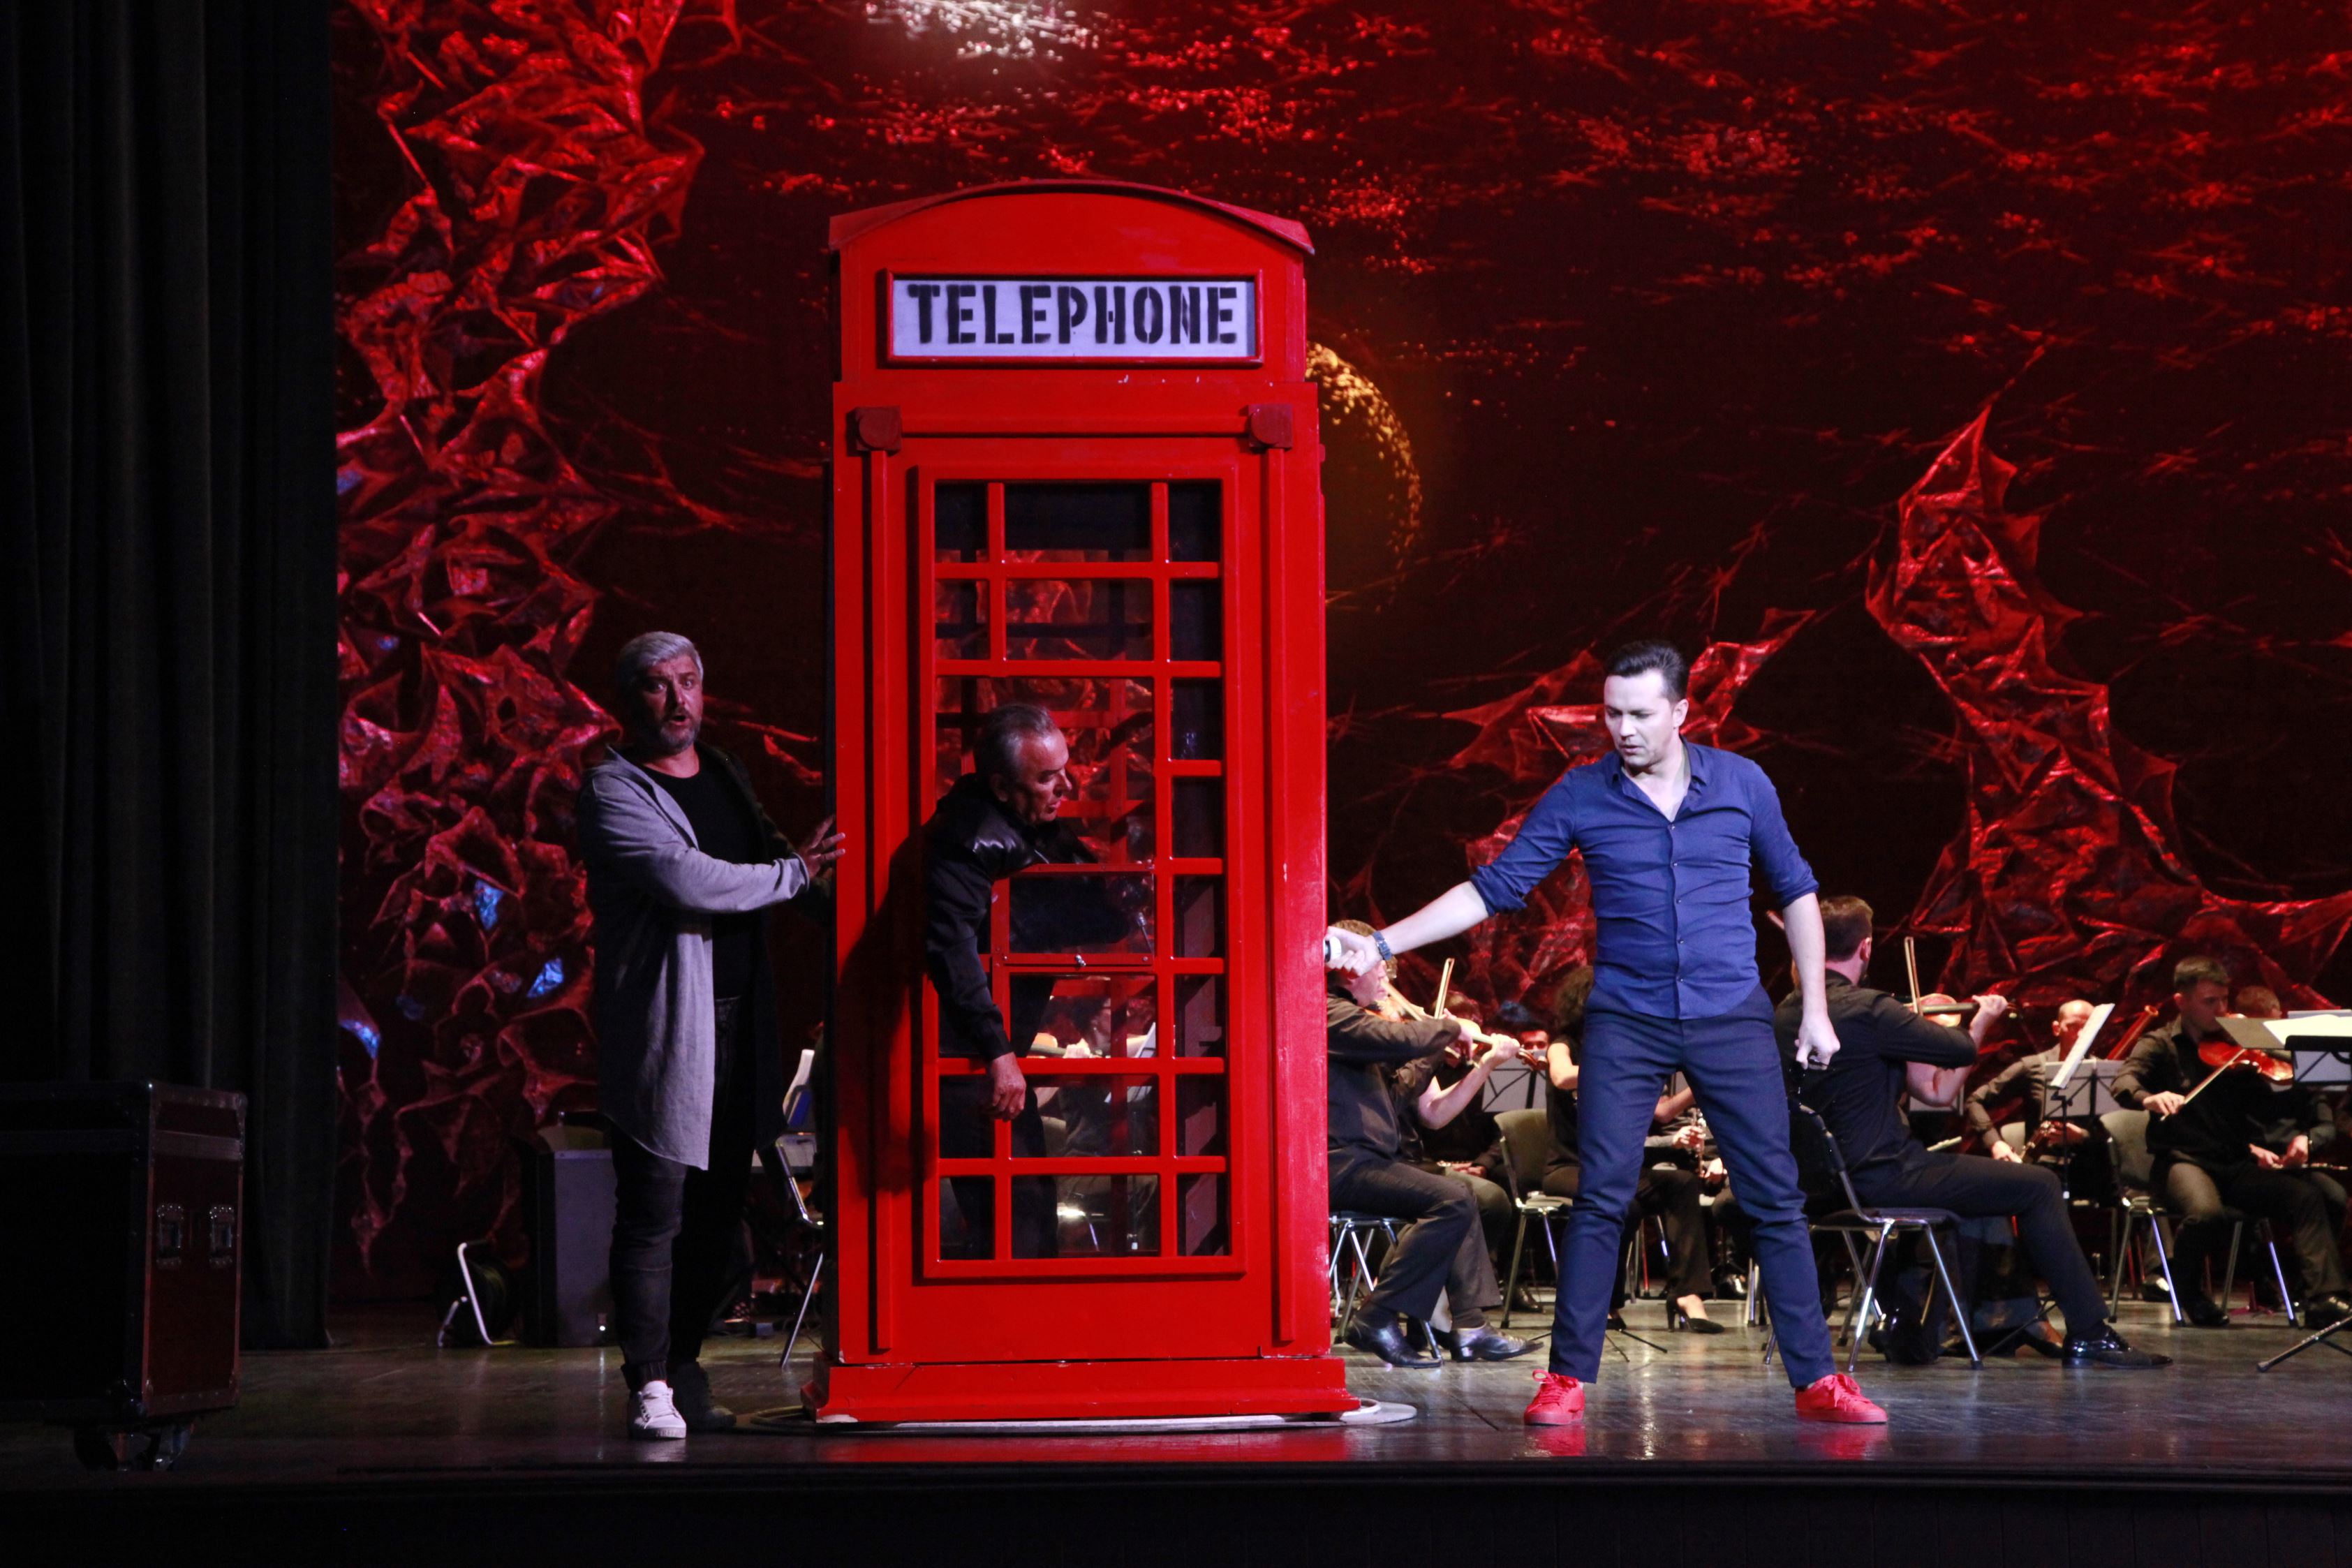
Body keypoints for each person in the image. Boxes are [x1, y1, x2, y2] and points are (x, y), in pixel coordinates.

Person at [1327, 639, 1886, 1424]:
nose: (1622, 729)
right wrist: (1383, 943)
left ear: (1681, 711)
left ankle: (1817, 1381)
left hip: (1730, 1015)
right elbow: (1493, 887)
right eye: (1612, 713)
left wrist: (1817, 1008)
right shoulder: (1583, 793)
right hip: (1627, 1018)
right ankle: (1567, 1378)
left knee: (1774, 1194)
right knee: (1601, 1195)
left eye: (1639, 714)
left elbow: (1796, 890)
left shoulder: (1741, 783)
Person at [577, 631, 846, 1440]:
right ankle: (650, 1382)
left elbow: (776, 858)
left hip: (744, 1018)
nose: (678, 700)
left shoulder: (726, 770)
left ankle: (685, 1363)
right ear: (629, 699)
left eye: (689, 681)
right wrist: (794, 875)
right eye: (658, 685)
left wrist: (872, 909)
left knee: (719, 1212)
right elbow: (688, 878)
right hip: (670, 1028)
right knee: (657, 1209)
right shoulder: (613, 789)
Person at [1782, 896, 2168, 1368]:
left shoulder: (1785, 1012)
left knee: (1977, 1196)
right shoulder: (1871, 1010)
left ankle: (1921, 1329)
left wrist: (1912, 1025)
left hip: (1814, 1185)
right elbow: (1959, 1049)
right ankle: (2089, 1332)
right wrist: (1982, 1018)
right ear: (1865, 948)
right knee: (2039, 1185)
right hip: (1882, 1176)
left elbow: (1936, 1091)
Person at [924, 703, 1134, 1262]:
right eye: (1047, 777)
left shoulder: (1035, 825)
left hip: (994, 1051)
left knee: (1031, 1212)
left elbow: (1095, 910)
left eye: (1065, 770)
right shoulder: (964, 840)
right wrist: (997, 1053)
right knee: (1014, 1223)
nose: (1066, 786)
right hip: (964, 1059)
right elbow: (952, 953)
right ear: (1001, 786)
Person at [1326, 922, 1534, 1367]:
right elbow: (1396, 1044)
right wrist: (1446, 1028)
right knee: (1455, 1198)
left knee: (1458, 1196)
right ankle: (1382, 1316)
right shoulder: (1329, 1012)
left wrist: (1460, 1050)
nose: (1386, 983)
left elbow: (1410, 1095)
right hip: (1340, 1163)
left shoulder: (1353, 1021)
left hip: (1365, 1159)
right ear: (1349, 967)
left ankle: (1450, 1323)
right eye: (1379, 968)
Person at [2114, 956, 2352, 1327]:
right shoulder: (2159, 1044)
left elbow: (2268, 1104)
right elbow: (2124, 1081)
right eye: (2210, 1001)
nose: (2221, 1009)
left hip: (2233, 1161)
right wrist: (2150, 1098)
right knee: (2206, 1214)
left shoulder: (2236, 1046)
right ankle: (2188, 1288)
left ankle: (2323, 1299)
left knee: (2305, 1196)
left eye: (2224, 999)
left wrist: (2291, 1072)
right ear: (2181, 1002)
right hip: (2182, 1160)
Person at [1537, 967, 1722, 1331]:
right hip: (1569, 1167)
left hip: (1613, 1167)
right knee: (1623, 1204)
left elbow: (1662, 1112)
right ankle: (1603, 1302)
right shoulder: (1565, 1044)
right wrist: (1619, 1067)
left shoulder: (1623, 1050)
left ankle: (1688, 1294)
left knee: (1681, 1184)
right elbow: (1561, 1076)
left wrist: (1702, 1083)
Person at [1961, 998, 2117, 1201]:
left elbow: (2115, 1130)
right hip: (2045, 1167)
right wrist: (1995, 1143)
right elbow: (1975, 1101)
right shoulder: (2032, 1067)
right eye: (2072, 1027)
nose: (2081, 1034)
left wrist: (2083, 1136)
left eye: (2087, 1028)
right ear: (2056, 1029)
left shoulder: (2104, 1072)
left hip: (2092, 1169)